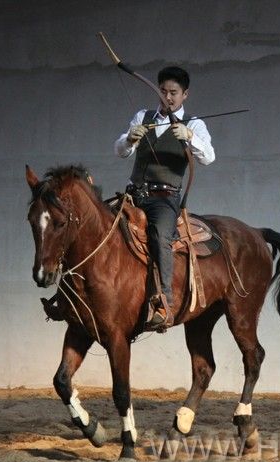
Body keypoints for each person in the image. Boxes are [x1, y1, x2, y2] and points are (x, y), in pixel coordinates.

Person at [114, 66, 215, 330]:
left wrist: (190, 137)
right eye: (162, 91)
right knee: (98, 222)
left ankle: (163, 302)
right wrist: (129, 139)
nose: (167, 97)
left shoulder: (194, 124)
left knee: (160, 236)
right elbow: (120, 151)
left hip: (164, 199)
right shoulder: (143, 116)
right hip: (133, 194)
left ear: (185, 95)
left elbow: (208, 157)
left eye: (173, 92)